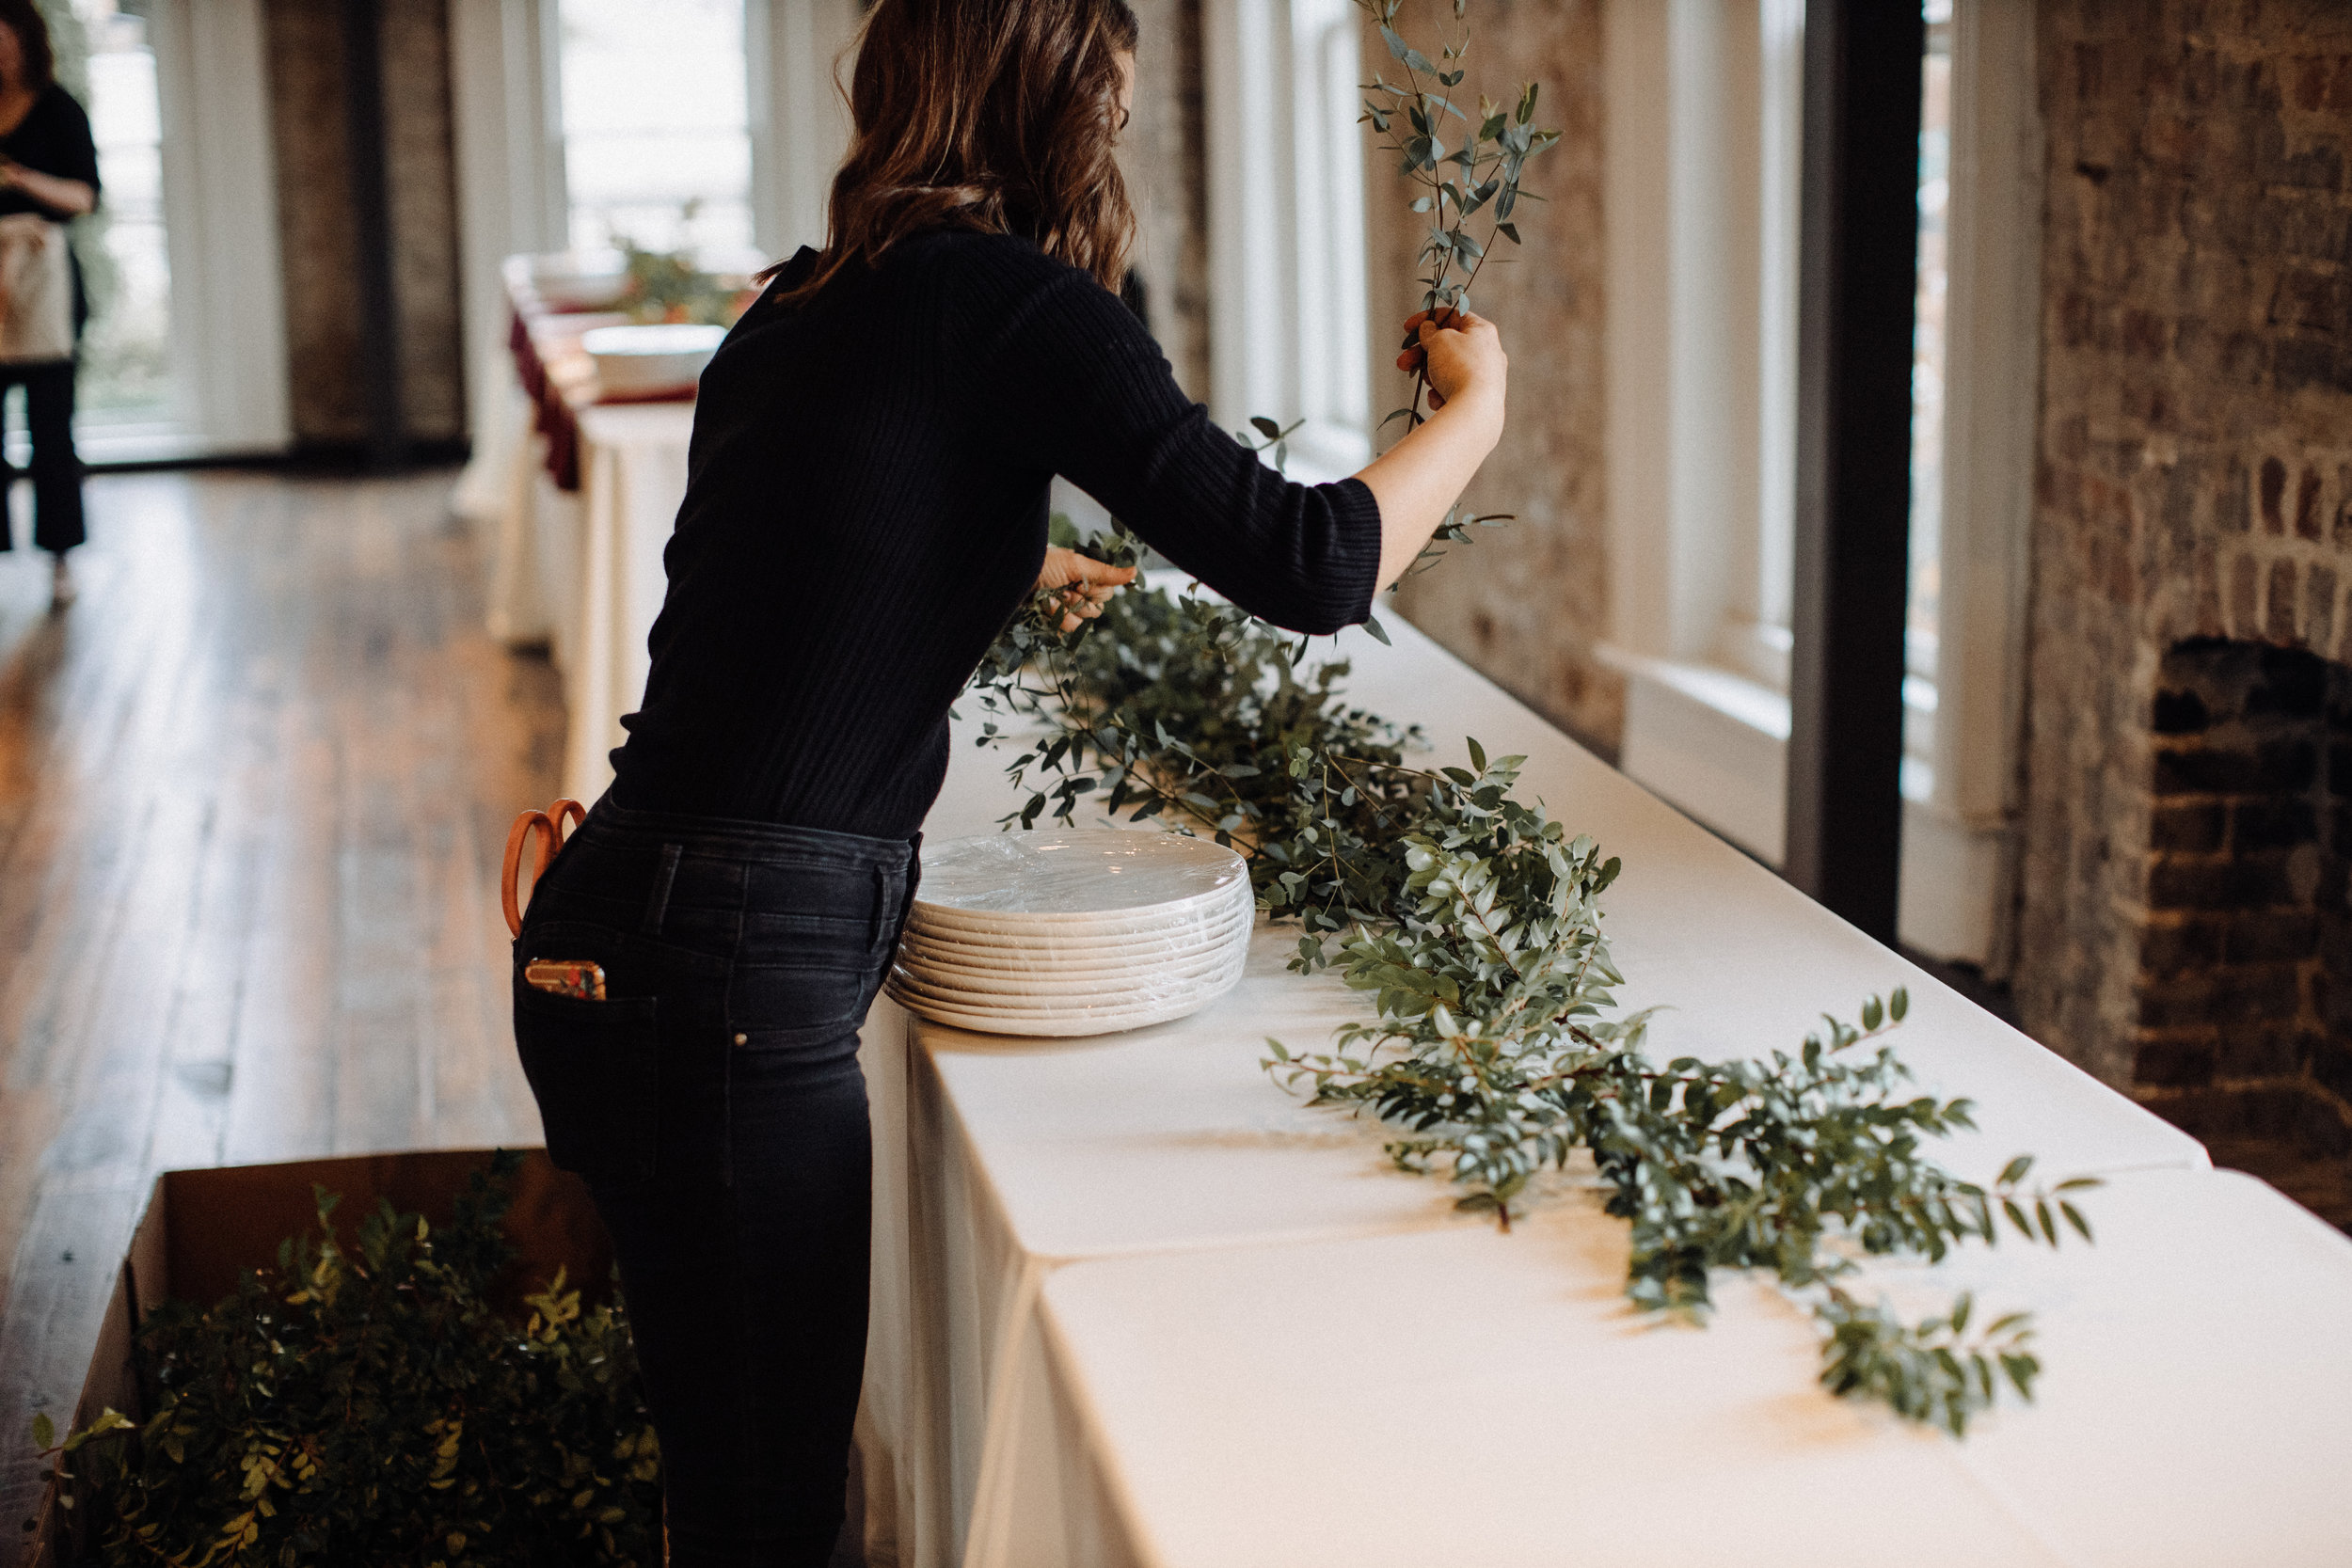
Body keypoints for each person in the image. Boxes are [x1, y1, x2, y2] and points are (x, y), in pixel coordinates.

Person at [509, 0, 1507, 1560]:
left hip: (626, 928)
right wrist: (1477, 412)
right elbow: (1313, 562)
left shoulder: (803, 295)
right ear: (1058, 96)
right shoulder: (1021, 307)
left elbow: (788, 541)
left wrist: (1006, 557)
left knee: (724, 1487)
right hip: (726, 967)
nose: (1114, 128)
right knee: (766, 1519)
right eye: (1107, 95)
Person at [0, 0, 94, 610]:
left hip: (45, 281)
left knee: (51, 433)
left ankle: (60, 559)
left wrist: (17, 177)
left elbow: (84, 196)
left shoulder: (59, 110)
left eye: (4, 44)